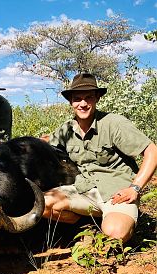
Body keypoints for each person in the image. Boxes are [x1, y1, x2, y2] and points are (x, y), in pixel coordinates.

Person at [43, 73, 157, 243]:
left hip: (116, 192)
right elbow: (46, 141)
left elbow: (152, 151)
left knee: (115, 234)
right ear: (71, 102)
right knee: (39, 204)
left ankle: (119, 219)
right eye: (77, 98)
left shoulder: (114, 123)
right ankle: (85, 223)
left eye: (88, 97)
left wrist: (135, 188)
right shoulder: (66, 129)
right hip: (83, 190)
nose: (83, 103)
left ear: (97, 98)